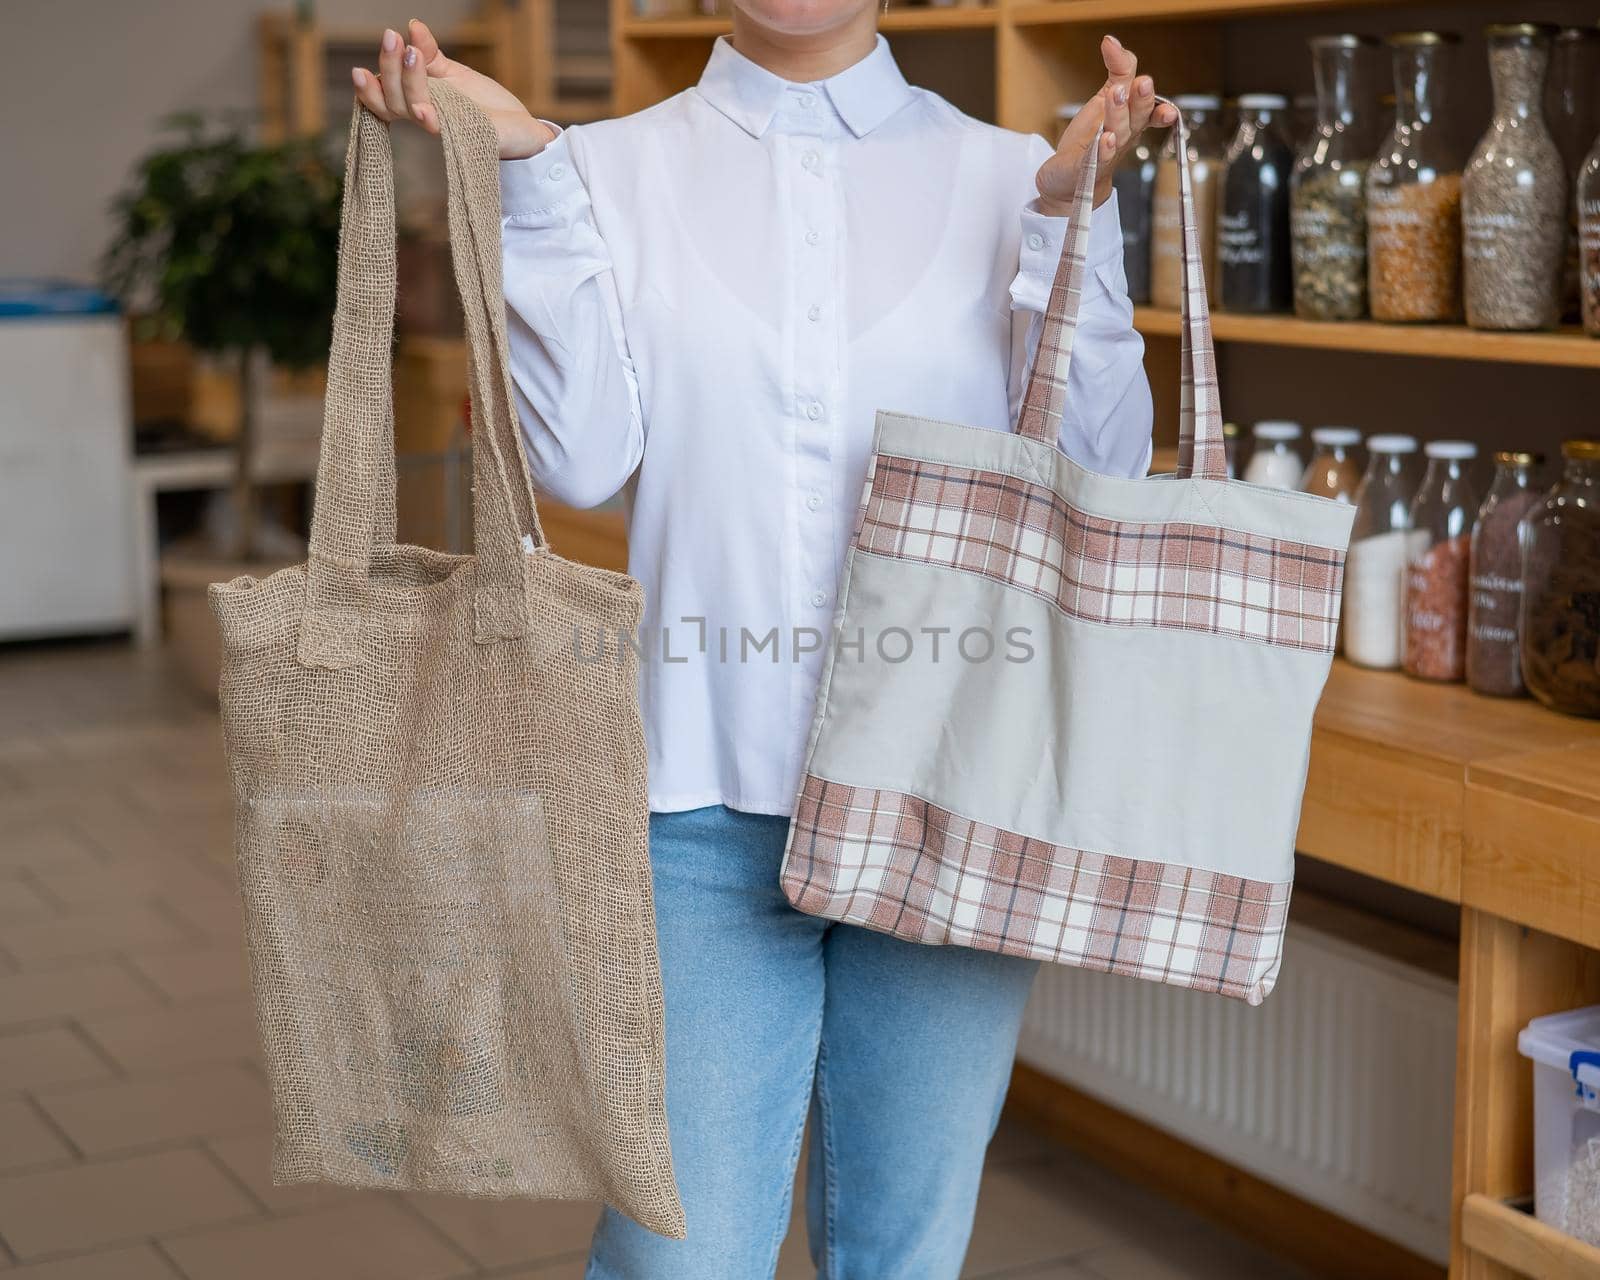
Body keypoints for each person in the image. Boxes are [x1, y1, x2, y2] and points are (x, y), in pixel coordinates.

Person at [354, 7, 1172, 1276]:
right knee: (674, 1255)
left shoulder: (1017, 173)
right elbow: (578, 458)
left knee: (900, 1251)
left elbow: (1099, 467)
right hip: (693, 804)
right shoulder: (598, 167)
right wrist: (526, 174)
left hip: (944, 797)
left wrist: (1069, 218)